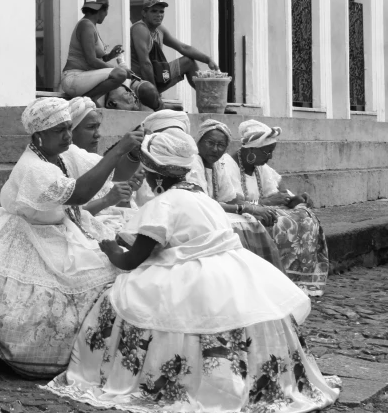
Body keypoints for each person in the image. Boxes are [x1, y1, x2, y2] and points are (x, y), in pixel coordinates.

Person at [44, 132, 340, 413]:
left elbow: (132, 260)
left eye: (147, 172)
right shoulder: (203, 198)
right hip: (231, 271)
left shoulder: (164, 205)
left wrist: (110, 249)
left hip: (188, 274)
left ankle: (161, 379)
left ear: (156, 175)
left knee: (121, 299)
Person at [0, 98, 144, 378]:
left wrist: (133, 151)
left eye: (69, 128)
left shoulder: (62, 155)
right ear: (38, 136)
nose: (68, 136)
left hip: (63, 228)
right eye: (60, 131)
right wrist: (119, 148)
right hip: (33, 235)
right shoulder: (34, 167)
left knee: (112, 270)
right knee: (78, 286)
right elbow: (80, 194)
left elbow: (115, 173)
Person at [220, 120, 330, 296]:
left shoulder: (259, 167)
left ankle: (301, 280)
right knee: (285, 223)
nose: (270, 157)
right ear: (251, 150)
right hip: (240, 214)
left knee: (305, 215)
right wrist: (264, 204)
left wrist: (294, 199)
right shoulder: (227, 165)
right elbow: (235, 202)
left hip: (261, 212)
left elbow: (279, 189)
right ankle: (279, 279)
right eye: (267, 152)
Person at [193, 119, 285, 272]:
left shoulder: (217, 165)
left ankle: (261, 276)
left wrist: (253, 208)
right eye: (210, 143)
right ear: (199, 141)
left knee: (251, 219)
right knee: (241, 223)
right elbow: (204, 203)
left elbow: (231, 197)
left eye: (221, 145)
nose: (215, 149)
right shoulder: (195, 163)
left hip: (215, 212)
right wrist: (250, 207)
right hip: (200, 215)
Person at [61, 0, 161, 110]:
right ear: (103, 10)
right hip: (73, 78)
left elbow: (96, 59)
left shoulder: (90, 25)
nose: (106, 14)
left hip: (81, 77)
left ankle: (90, 99)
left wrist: (110, 55)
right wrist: (117, 69)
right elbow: (91, 61)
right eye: (106, 11)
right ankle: (88, 99)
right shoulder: (86, 25)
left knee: (118, 73)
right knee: (120, 74)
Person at [66, 97, 139, 235]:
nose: (98, 134)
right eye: (90, 127)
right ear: (71, 131)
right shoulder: (67, 157)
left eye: (98, 127)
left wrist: (125, 194)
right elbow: (71, 216)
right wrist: (107, 200)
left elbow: (122, 208)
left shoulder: (91, 160)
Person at [131, 0, 219, 95]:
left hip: (157, 75)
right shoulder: (140, 29)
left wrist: (208, 59)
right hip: (141, 81)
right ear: (144, 13)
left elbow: (183, 47)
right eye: (154, 11)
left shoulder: (159, 29)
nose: (158, 15)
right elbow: (145, 64)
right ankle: (154, 97)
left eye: (161, 12)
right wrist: (154, 95)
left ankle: (209, 98)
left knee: (188, 62)